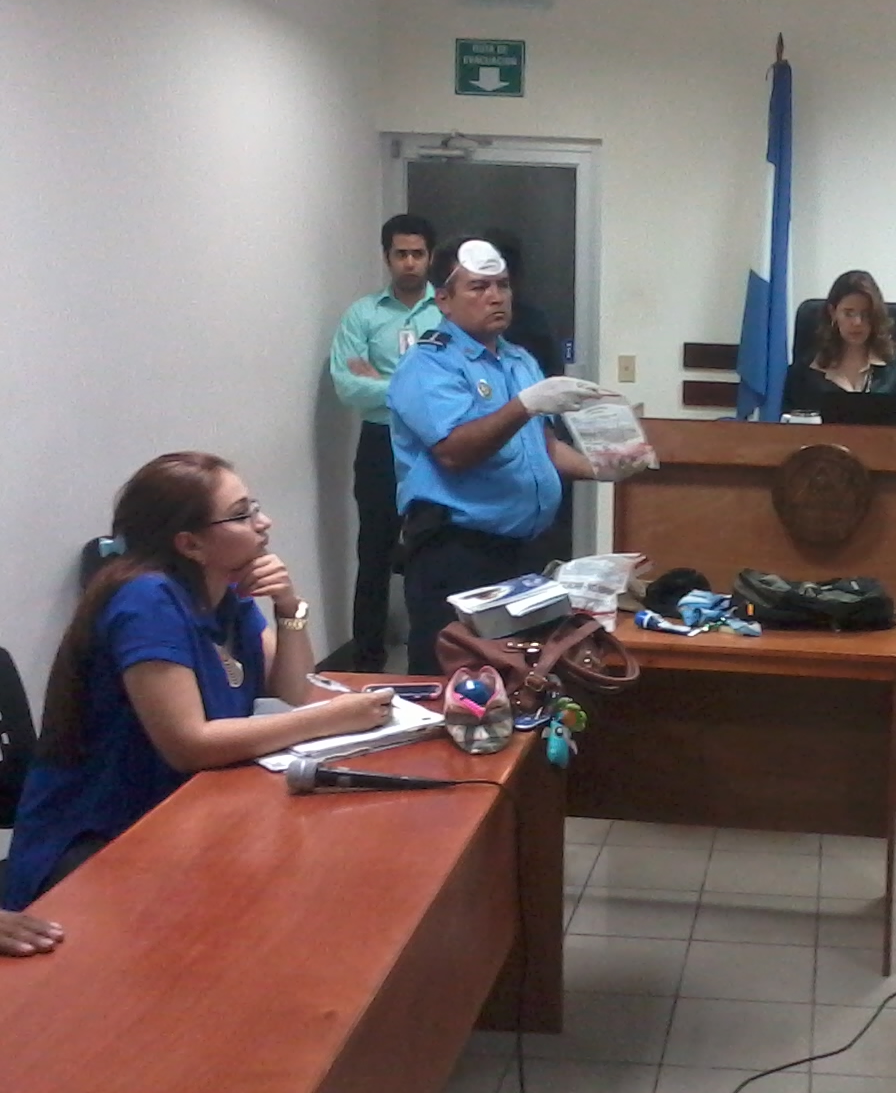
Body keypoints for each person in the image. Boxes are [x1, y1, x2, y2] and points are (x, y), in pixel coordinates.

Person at [2, 453, 394, 910]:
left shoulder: (223, 592)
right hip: (99, 839)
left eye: (255, 507)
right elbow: (188, 744)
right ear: (190, 544)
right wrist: (332, 718)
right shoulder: (146, 601)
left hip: (186, 809)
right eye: (242, 514)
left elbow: (290, 692)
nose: (264, 522)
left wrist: (289, 607)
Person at [388, 237, 641, 676]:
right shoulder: (430, 363)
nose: (496, 297)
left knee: (523, 675)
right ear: (443, 300)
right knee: (456, 680)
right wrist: (524, 405)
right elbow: (455, 451)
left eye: (502, 285)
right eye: (478, 287)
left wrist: (600, 468)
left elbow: (544, 446)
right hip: (458, 552)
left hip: (524, 551)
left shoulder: (519, 359)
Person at [329, 213, 444, 671]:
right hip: (379, 443)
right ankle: (367, 664)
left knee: (434, 554)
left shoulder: (448, 311)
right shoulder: (363, 314)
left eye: (417, 254)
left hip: (437, 446)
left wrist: (384, 383)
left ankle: (429, 661)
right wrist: (412, 390)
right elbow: (347, 385)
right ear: (386, 257)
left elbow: (453, 385)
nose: (409, 262)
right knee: (374, 554)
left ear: (430, 257)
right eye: (401, 254)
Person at [781, 270, 896, 427]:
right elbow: (788, 425)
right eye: (848, 313)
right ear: (833, 313)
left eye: (866, 314)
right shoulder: (806, 370)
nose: (857, 322)